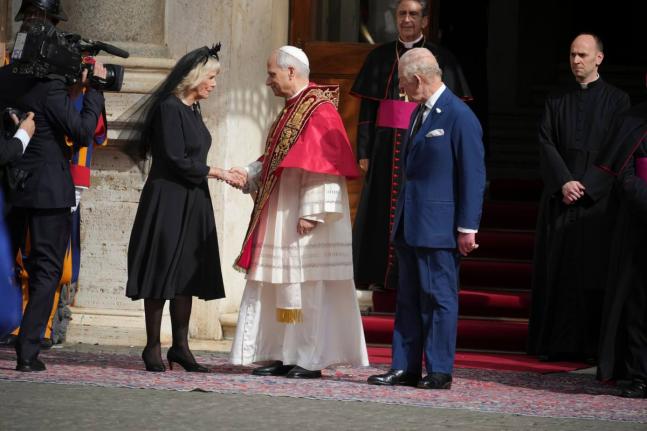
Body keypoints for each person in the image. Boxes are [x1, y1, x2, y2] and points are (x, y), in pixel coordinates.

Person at [229, 46, 369, 379]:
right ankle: (282, 353)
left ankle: (309, 358)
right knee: (281, 285)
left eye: (272, 74)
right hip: (284, 212)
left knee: (308, 288)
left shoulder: (319, 110)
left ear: (291, 72)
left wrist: (313, 212)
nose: (267, 82)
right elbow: (276, 159)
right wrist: (249, 173)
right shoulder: (290, 110)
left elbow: (326, 166)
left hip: (306, 220)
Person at [367, 48, 485, 389]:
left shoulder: (459, 116)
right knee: (407, 300)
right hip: (411, 224)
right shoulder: (419, 113)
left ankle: (438, 369)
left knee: (439, 299)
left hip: (439, 229)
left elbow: (473, 174)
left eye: (404, 83)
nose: (402, 90)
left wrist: (468, 227)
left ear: (418, 79)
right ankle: (404, 367)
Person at [0, 20, 106, 372]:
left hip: (10, 185)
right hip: (47, 190)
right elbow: (81, 131)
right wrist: (95, 93)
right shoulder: (51, 87)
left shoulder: (5, 79)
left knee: (4, 263)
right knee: (45, 270)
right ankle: (28, 352)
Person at [126, 45, 233, 373]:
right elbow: (174, 157)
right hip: (168, 198)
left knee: (185, 272)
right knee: (161, 270)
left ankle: (181, 348)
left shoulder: (193, 109)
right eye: (211, 77)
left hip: (193, 199)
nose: (214, 84)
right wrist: (215, 172)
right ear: (195, 77)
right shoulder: (168, 109)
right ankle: (152, 346)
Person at [351, 0, 472, 291]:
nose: (407, 20)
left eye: (413, 14)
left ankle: (410, 278)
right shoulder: (379, 57)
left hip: (424, 149)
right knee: (380, 212)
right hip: (384, 148)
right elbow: (368, 112)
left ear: (425, 21)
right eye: (402, 14)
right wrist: (364, 151)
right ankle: (377, 275)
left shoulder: (442, 59)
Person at [528, 33, 631, 362]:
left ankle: (591, 349)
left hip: (597, 206)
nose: (576, 61)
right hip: (561, 200)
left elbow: (620, 148)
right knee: (557, 274)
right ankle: (554, 344)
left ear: (598, 58)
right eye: (572, 54)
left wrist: (588, 185)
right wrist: (564, 182)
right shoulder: (556, 99)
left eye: (583, 55)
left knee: (593, 273)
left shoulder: (618, 101)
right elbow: (545, 142)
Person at [595, 98, 647, 398]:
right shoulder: (631, 120)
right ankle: (640, 375)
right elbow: (624, 175)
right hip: (638, 225)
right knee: (639, 304)